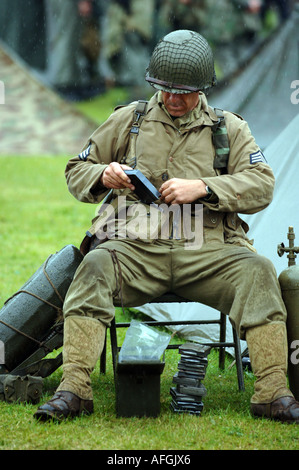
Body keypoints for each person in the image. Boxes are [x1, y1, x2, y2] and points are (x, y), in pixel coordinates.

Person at [34, 30, 299, 423]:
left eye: (184, 91)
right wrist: (103, 175)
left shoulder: (228, 128)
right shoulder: (130, 120)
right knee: (93, 268)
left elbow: (263, 184)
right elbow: (76, 169)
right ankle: (74, 389)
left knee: (259, 272)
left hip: (210, 252)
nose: (173, 99)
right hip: (135, 250)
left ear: (204, 87)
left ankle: (274, 393)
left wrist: (205, 187)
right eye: (165, 89)